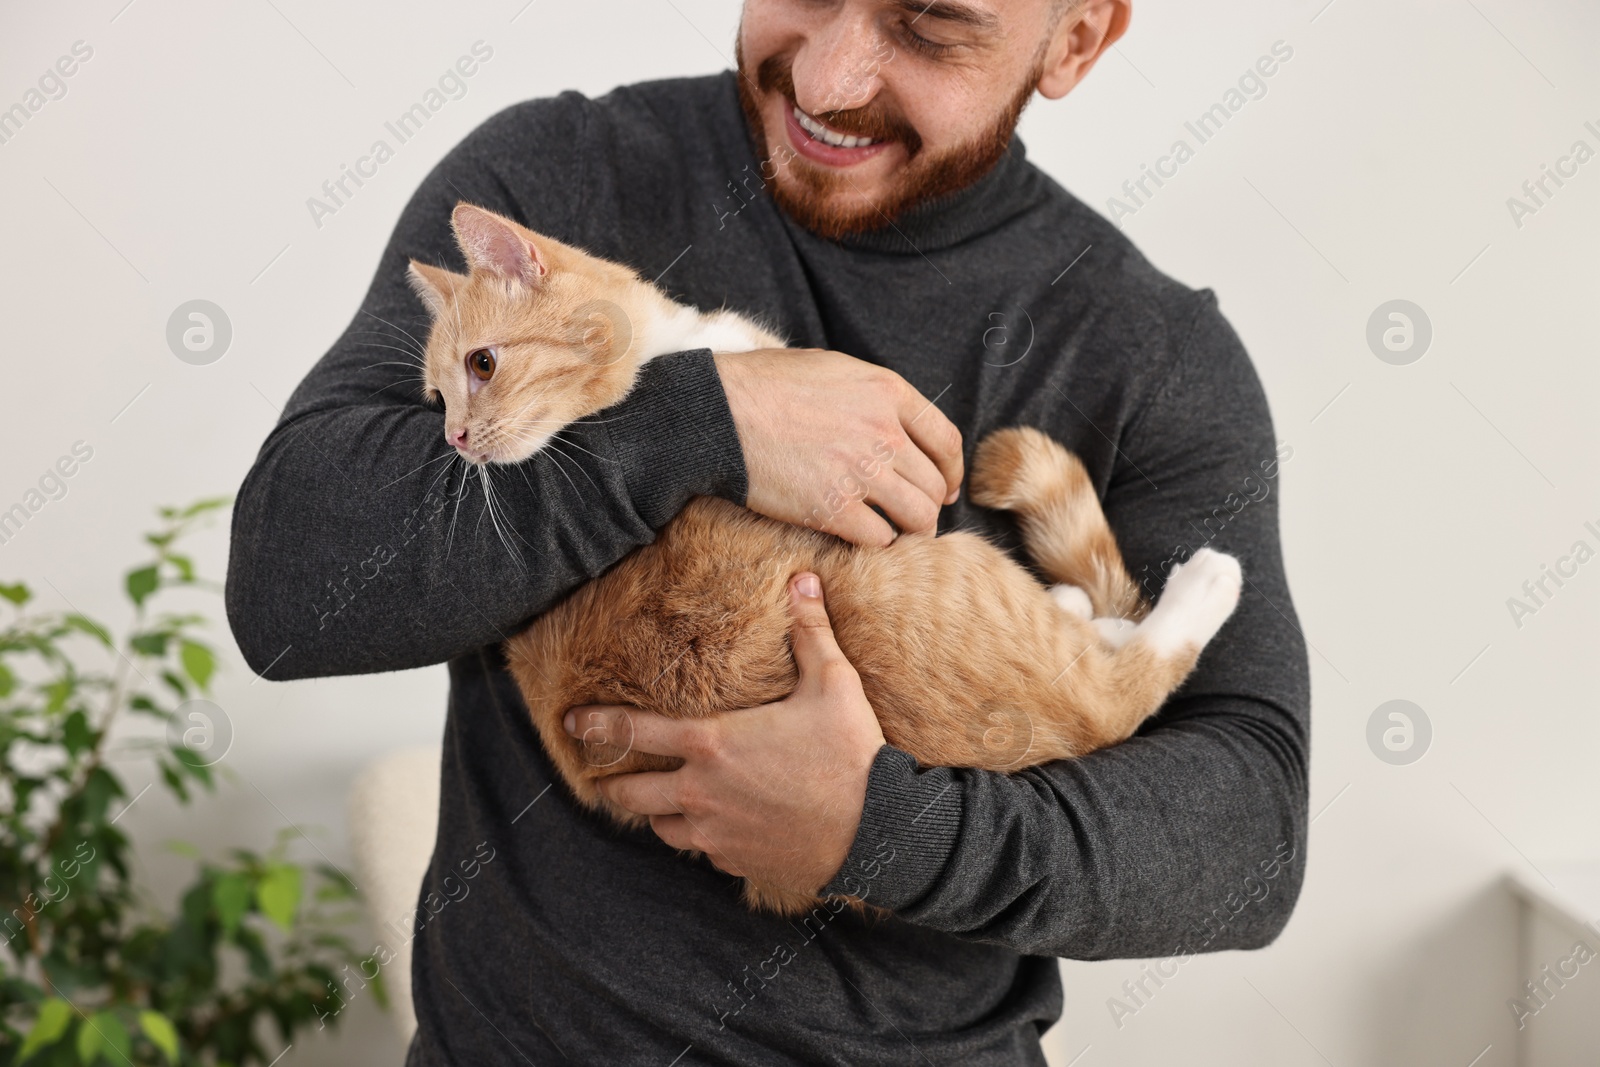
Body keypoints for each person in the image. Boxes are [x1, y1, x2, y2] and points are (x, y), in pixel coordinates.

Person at [225, 0, 1311, 1062]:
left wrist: (881, 828)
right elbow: (286, 589)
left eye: (929, 25)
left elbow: (1250, 834)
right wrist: (710, 416)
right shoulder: (560, 178)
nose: (827, 79)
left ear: (1073, 37)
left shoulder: (1153, 347)